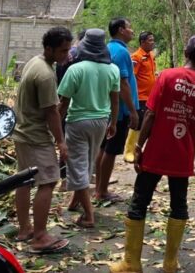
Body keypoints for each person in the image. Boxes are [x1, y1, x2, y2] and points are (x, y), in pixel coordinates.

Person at [110, 35, 195, 273]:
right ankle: (170, 264)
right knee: (178, 204)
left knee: (140, 201)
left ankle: (131, 263)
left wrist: (139, 146)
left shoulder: (167, 76)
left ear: (186, 52)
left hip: (156, 153)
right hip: (183, 155)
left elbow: (150, 115)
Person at [13, 27, 72, 254]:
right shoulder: (46, 75)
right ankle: (39, 237)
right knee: (47, 182)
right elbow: (51, 113)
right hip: (36, 135)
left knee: (24, 180)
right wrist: (61, 142)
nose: (66, 55)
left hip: (22, 132)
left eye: (68, 50)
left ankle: (25, 229)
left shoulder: (34, 62)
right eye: (63, 51)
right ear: (49, 48)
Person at [57, 28, 120, 228]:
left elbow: (63, 103)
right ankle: (75, 203)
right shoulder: (113, 70)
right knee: (86, 164)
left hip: (77, 122)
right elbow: (115, 100)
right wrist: (114, 122)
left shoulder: (75, 69)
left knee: (77, 167)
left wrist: (55, 129)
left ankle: (89, 216)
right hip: (101, 122)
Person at [95, 18, 139, 202]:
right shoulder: (121, 52)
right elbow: (122, 83)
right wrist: (132, 111)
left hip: (106, 107)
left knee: (104, 148)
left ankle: (99, 186)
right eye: (129, 27)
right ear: (121, 30)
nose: (132, 31)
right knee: (111, 150)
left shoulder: (108, 49)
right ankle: (102, 191)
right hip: (118, 111)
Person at [56, 29, 86, 185]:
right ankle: (67, 176)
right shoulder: (77, 56)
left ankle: (63, 173)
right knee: (69, 142)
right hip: (69, 101)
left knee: (64, 138)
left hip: (60, 97)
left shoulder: (67, 54)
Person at [126, 31, 157, 162]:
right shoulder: (136, 57)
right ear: (142, 42)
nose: (152, 42)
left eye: (153, 40)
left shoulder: (150, 55)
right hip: (140, 97)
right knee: (137, 123)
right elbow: (131, 77)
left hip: (150, 96)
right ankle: (129, 151)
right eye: (150, 40)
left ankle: (143, 149)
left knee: (149, 124)